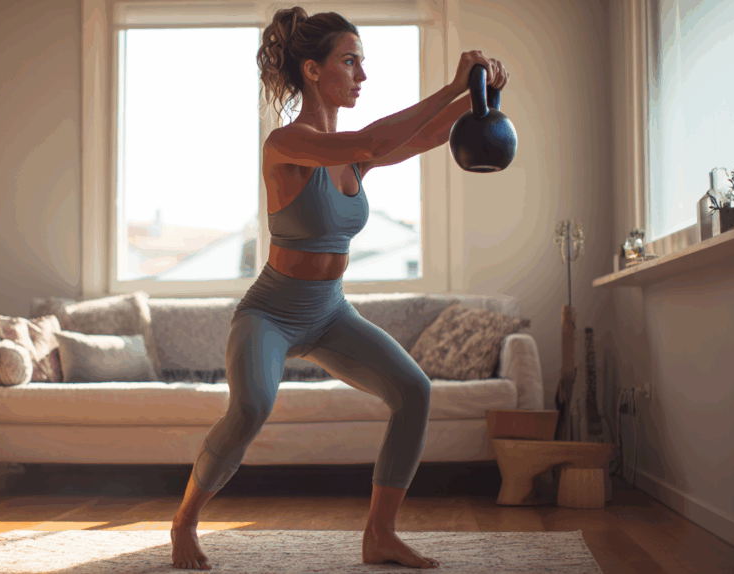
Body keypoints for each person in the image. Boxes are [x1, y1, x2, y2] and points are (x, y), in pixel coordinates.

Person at [169, 6, 509, 570]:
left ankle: (379, 534)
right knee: (252, 407)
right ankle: (184, 522)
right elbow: (373, 140)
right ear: (311, 70)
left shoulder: (354, 158)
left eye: (362, 62)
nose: (361, 75)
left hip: (329, 314)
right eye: (349, 61)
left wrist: (482, 95)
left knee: (414, 392)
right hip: (271, 313)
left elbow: (423, 138)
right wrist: (453, 83)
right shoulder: (286, 145)